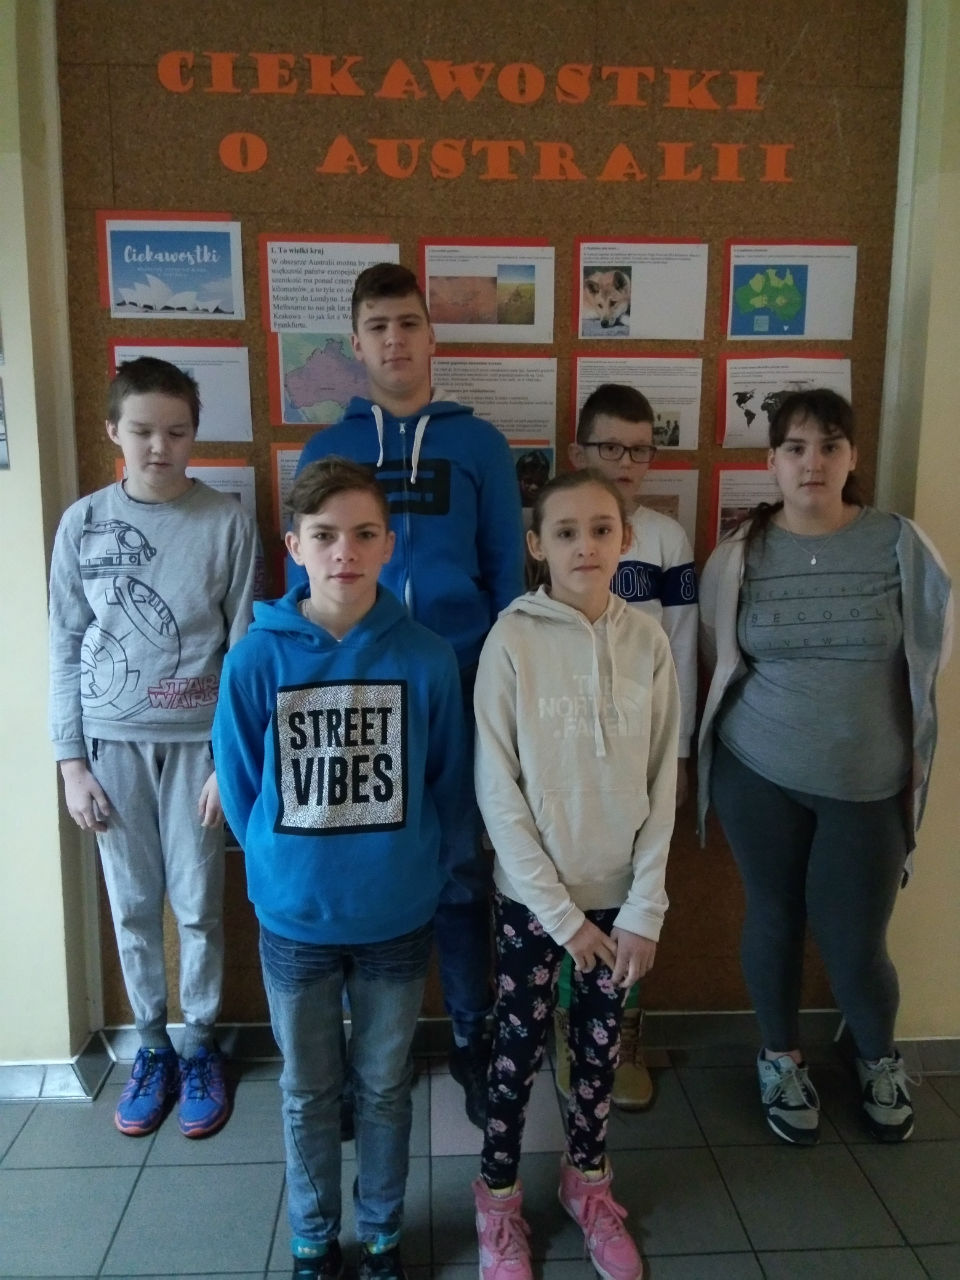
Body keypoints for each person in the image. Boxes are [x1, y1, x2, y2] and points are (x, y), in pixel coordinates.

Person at [214, 458, 464, 1280]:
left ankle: (383, 1234)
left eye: (363, 534)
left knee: (386, 1087)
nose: (344, 552)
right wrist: (282, 868)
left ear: (389, 544)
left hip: (397, 915)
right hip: (296, 920)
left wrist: (422, 869)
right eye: (324, 536)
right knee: (308, 1090)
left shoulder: (426, 657)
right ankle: (315, 1239)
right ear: (295, 547)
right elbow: (242, 785)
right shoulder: (256, 660)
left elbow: (448, 781)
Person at [290, 263, 525, 1127]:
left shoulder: (481, 446)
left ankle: (472, 1037)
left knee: (462, 867)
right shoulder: (327, 449)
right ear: (356, 345)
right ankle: (363, 1058)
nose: (395, 339)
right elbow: (305, 584)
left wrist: (507, 688)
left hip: (460, 684)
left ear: (432, 337)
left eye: (409, 323)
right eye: (378, 326)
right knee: (363, 871)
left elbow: (508, 575)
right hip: (358, 693)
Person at [697, 388, 953, 1146]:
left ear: (852, 457)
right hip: (757, 771)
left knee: (855, 941)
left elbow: (932, 654)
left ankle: (877, 1058)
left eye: (830, 446)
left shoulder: (900, 543)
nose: (813, 462)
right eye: (796, 448)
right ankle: (780, 1058)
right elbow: (718, 653)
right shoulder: (738, 554)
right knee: (774, 915)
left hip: (867, 784)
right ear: (772, 462)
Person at [471, 470, 680, 1280]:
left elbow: (662, 783)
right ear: (537, 545)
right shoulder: (510, 640)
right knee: (515, 1058)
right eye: (565, 532)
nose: (585, 545)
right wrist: (561, 916)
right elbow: (498, 789)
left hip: (620, 902)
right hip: (535, 903)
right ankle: (498, 1201)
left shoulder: (648, 643)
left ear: (625, 539)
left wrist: (645, 907)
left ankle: (587, 1184)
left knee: (598, 1059)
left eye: (601, 529)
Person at [48, 356, 258, 1138]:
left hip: (199, 749)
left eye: (176, 432)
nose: (159, 447)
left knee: (199, 906)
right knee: (132, 904)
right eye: (142, 431)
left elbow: (243, 650)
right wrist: (71, 762)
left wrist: (229, 762)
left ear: (195, 434)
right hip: (111, 750)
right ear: (114, 431)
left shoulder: (227, 523)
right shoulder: (83, 525)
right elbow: (64, 645)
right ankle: (152, 1047)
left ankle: (200, 1045)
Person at [560, 382, 698, 1109]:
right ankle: (567, 1031)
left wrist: (680, 753)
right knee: (570, 895)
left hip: (641, 754)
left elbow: (683, 648)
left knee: (638, 895)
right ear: (578, 450)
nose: (626, 462)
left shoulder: (667, 539)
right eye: (610, 446)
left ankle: (621, 1037)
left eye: (640, 450)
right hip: (565, 753)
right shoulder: (558, 529)